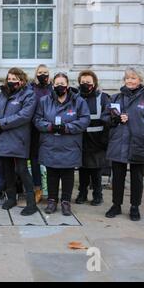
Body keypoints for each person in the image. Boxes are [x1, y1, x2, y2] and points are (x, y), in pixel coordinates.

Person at [103, 67, 144, 221]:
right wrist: (116, 119)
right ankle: (116, 205)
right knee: (117, 177)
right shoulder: (115, 98)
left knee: (137, 177)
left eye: (133, 78)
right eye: (127, 78)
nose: (130, 81)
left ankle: (134, 206)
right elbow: (105, 118)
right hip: (119, 142)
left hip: (140, 143)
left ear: (140, 80)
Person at [34, 72, 90, 216]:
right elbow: (37, 120)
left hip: (69, 144)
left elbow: (84, 120)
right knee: (51, 173)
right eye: (57, 84)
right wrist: (50, 127)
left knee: (67, 174)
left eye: (62, 83)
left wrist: (67, 128)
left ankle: (66, 202)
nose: (60, 86)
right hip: (50, 144)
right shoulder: (44, 101)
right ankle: (52, 201)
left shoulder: (78, 101)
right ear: (53, 85)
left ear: (68, 85)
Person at [0, 68, 38, 215]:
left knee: (22, 170)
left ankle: (31, 203)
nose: (12, 81)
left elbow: (24, 115)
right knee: (7, 171)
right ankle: (11, 198)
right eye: (9, 78)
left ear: (22, 80)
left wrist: (2, 123)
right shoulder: (1, 95)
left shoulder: (29, 94)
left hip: (19, 138)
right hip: (3, 138)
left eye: (15, 79)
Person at [75, 70, 110, 206]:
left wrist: (104, 139)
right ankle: (82, 194)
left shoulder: (103, 97)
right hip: (81, 140)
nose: (85, 84)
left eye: (88, 82)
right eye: (83, 82)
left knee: (96, 172)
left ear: (94, 83)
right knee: (83, 170)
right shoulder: (76, 97)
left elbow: (108, 117)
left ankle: (97, 195)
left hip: (97, 141)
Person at [27, 64, 53, 203]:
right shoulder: (30, 88)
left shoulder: (54, 88)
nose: (43, 74)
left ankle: (51, 190)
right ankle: (37, 188)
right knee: (35, 159)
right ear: (36, 74)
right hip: (33, 129)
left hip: (49, 128)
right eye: (40, 72)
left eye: (45, 72)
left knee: (49, 159)